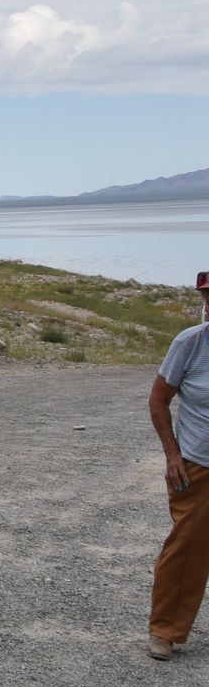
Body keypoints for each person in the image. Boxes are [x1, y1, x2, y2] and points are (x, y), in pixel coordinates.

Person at [146, 267, 209, 661]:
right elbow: (158, 400)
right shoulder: (190, 344)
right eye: (208, 296)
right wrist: (172, 455)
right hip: (197, 464)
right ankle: (165, 631)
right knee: (186, 548)